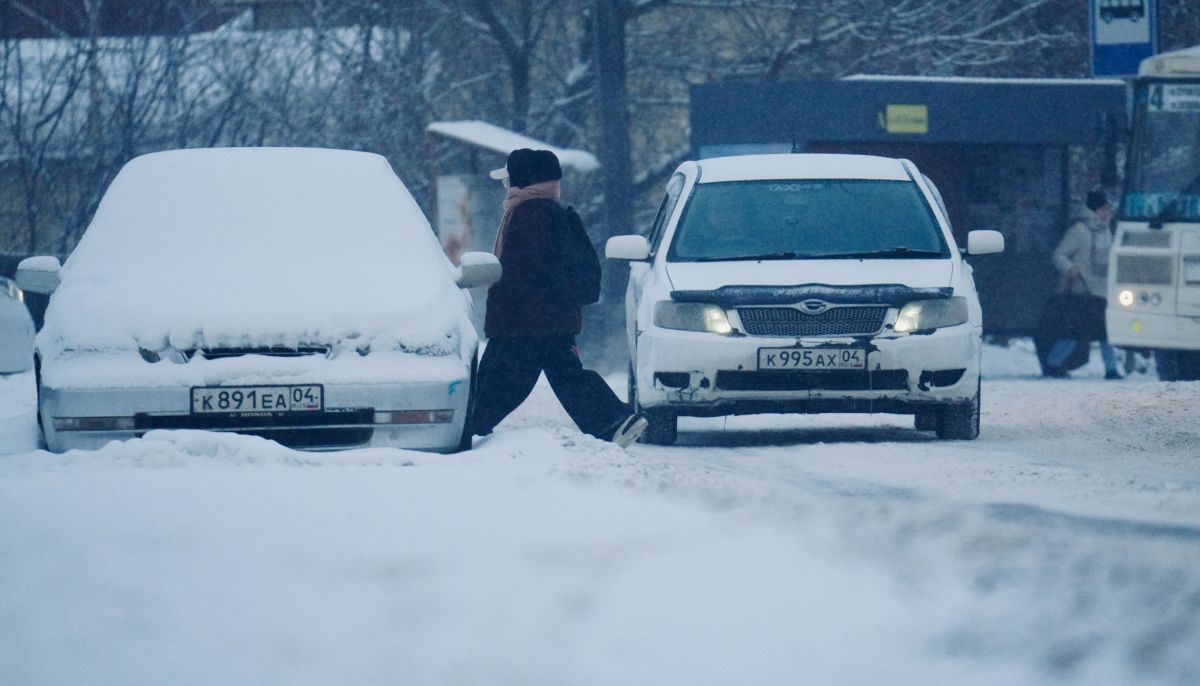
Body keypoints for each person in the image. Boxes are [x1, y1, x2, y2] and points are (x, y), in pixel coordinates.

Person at [469, 148, 648, 446]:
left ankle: (465, 431)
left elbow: (520, 272)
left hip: (524, 323)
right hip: (550, 319)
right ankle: (616, 421)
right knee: (564, 377)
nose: (507, 186)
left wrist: (505, 309)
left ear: (522, 181)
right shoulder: (548, 212)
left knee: (499, 383)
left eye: (509, 180)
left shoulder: (528, 215)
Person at [1044, 190, 1121, 379]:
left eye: (1108, 209)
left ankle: (1111, 369)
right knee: (1075, 332)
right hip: (1083, 291)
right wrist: (1071, 269)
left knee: (1105, 332)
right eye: (1104, 209)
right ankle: (1053, 364)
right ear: (1094, 209)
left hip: (1104, 291)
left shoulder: (1107, 231)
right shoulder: (1080, 230)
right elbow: (1058, 255)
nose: (1107, 213)